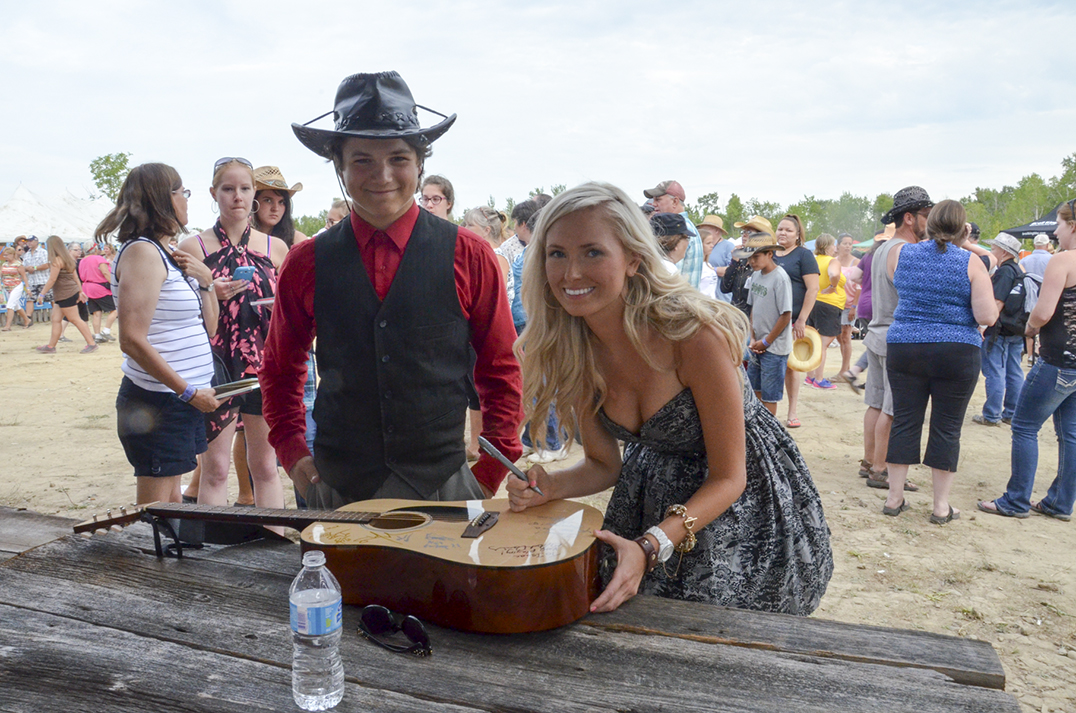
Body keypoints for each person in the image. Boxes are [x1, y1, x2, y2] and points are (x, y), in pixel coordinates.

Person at [506, 182, 831, 615]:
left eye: (593, 252)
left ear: (633, 258)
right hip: (650, 498)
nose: (571, 274)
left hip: (742, 497)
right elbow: (605, 465)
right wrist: (550, 484)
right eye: (557, 253)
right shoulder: (574, 350)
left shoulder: (692, 334)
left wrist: (650, 544)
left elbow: (729, 478)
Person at [261, 70, 523, 506]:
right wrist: (293, 454)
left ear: (421, 166)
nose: (382, 174)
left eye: (398, 158)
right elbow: (280, 368)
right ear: (340, 168)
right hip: (337, 487)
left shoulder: (470, 255)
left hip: (445, 486)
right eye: (362, 159)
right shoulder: (306, 262)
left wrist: (492, 468)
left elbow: (501, 367)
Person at [94, 163, 221, 504]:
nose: (186, 200)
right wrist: (189, 392)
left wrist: (206, 281)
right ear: (163, 199)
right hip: (160, 401)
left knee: (172, 501)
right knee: (154, 511)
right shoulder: (142, 253)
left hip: (177, 400)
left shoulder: (166, 253)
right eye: (182, 192)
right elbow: (131, 339)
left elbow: (209, 327)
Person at [177, 158, 288, 510]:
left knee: (266, 466)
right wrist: (209, 291)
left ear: (254, 193)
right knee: (216, 468)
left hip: (264, 365)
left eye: (244, 188)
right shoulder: (194, 247)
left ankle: (273, 540)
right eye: (228, 189)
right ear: (214, 193)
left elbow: (292, 310)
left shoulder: (275, 248)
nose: (237, 197)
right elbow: (179, 313)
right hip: (216, 365)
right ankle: (210, 552)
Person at [881, 200, 998, 524]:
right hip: (956, 350)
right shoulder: (972, 263)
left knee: (905, 419)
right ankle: (941, 507)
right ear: (964, 229)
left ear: (928, 225)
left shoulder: (899, 254)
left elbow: (899, 287)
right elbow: (986, 315)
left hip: (905, 345)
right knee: (947, 427)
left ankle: (894, 498)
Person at [979, 199, 1076, 520]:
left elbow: (1044, 313)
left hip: (1057, 359)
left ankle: (1016, 500)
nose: (1055, 231)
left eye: (1058, 225)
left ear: (1071, 226)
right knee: (1070, 435)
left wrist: (1031, 328)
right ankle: (1060, 503)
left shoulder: (1062, 262)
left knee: (1023, 426)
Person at [862, 187, 933, 489]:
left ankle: (869, 462)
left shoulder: (882, 249)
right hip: (896, 336)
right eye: (926, 217)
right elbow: (913, 294)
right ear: (909, 217)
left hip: (878, 333)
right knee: (892, 409)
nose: (929, 223)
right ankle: (880, 468)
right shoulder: (904, 251)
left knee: (876, 404)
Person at [973, 233, 1027, 427]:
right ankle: (1011, 412)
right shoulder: (1019, 269)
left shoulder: (1005, 272)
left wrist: (982, 326)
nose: (992, 251)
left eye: (994, 248)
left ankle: (992, 414)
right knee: (1014, 371)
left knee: (995, 371)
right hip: (1015, 330)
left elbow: (997, 302)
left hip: (998, 332)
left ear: (1004, 251)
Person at [737, 232, 792, 416]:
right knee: (754, 391)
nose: (752, 261)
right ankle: (758, 429)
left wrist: (767, 341)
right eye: (750, 257)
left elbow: (785, 315)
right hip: (757, 344)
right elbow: (754, 308)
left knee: (770, 396)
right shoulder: (756, 276)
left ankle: (769, 432)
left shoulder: (780, 278)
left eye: (756, 257)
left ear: (770, 254)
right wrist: (753, 338)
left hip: (774, 348)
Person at [772, 214, 819, 428]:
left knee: (790, 367)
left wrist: (802, 319)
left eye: (788, 230)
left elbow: (813, 288)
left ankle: (792, 412)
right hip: (769, 319)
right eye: (780, 229)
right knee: (767, 365)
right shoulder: (769, 253)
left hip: (792, 320)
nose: (782, 233)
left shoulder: (804, 255)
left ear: (798, 235)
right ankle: (768, 413)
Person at [33, 236, 97, 354]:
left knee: (75, 319)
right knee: (56, 319)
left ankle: (91, 343)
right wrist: (80, 291)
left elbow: (52, 280)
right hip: (67, 292)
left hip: (65, 293)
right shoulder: (67, 259)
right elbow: (75, 277)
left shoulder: (57, 260)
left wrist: (42, 294)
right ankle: (51, 346)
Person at [804, 234, 845, 390]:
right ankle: (819, 379)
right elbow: (834, 274)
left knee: (813, 341)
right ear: (829, 246)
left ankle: (810, 376)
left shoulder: (814, 260)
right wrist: (833, 287)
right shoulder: (832, 261)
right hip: (830, 304)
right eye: (834, 245)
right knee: (823, 344)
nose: (836, 248)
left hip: (814, 302)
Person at [644, 180, 703, 288]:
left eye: (658, 199)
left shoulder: (678, 230)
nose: (653, 204)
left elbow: (668, 278)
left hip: (677, 298)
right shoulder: (688, 227)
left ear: (675, 201)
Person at [251, 166, 307, 247]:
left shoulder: (297, 240)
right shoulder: (238, 237)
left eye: (281, 202)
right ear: (253, 202)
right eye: (268, 200)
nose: (275, 208)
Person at [78, 242, 117, 343]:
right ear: (95, 249)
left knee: (96, 312)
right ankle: (106, 330)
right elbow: (105, 272)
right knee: (117, 308)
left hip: (87, 287)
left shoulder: (82, 261)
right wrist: (114, 285)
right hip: (99, 287)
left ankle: (97, 335)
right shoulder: (98, 259)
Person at [835, 233, 861, 377]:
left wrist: (854, 306)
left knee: (846, 336)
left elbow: (859, 286)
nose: (847, 246)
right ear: (838, 245)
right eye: (845, 243)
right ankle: (846, 366)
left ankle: (844, 371)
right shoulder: (834, 261)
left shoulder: (856, 262)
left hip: (850, 303)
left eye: (850, 243)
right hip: (836, 303)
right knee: (839, 336)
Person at [698, 215, 731, 300]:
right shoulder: (699, 247)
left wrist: (711, 269)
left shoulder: (728, 247)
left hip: (723, 299)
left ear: (716, 230)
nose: (702, 231)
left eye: (706, 229)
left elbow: (731, 272)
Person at [1, 246, 31, 330]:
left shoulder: (18, 264)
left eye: (7, 255)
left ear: (12, 255)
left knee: (10, 305)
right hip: (7, 287)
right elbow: (1, 276)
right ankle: (27, 320)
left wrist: (27, 288)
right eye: (4, 255)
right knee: (16, 305)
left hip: (17, 286)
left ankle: (8, 325)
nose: (5, 257)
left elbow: (24, 276)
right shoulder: (4, 264)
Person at [21, 235, 50, 321]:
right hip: (32, 281)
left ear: (37, 242)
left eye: (31, 241)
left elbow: (47, 265)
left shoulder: (43, 252)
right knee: (29, 299)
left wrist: (35, 268)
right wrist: (27, 268)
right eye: (28, 241)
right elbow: (23, 267)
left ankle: (61, 316)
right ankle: (28, 318)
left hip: (43, 280)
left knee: (51, 298)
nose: (29, 243)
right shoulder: (26, 255)